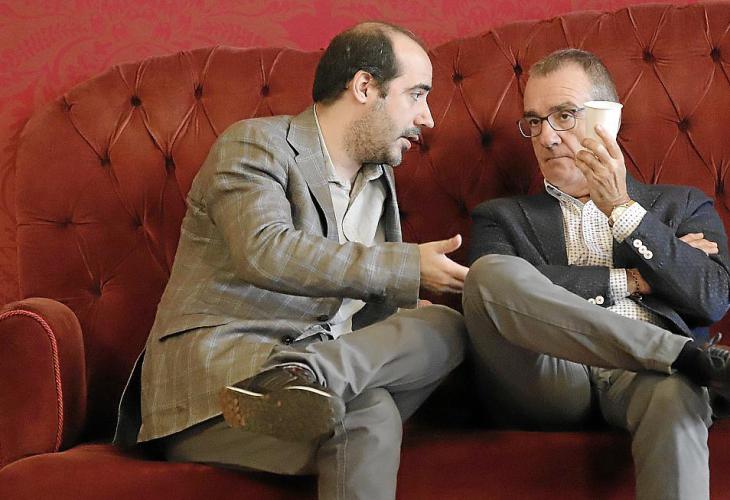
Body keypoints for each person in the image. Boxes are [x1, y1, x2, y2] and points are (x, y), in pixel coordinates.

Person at [113, 22, 468, 500]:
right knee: (370, 411)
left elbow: (352, 308)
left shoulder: (378, 179)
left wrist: (406, 318)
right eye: (417, 95)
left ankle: (309, 374)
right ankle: (292, 379)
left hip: (318, 381)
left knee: (446, 327)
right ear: (365, 87)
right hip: (221, 389)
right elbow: (265, 250)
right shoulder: (255, 145)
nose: (428, 118)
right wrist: (405, 267)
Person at [463, 48, 730, 500]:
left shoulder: (682, 205)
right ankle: (681, 356)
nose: (546, 138)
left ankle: (675, 363)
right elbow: (502, 298)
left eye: (564, 116)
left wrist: (623, 211)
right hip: (546, 376)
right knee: (488, 275)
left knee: (675, 393)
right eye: (534, 121)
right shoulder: (500, 217)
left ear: (610, 120)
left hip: (647, 378)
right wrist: (636, 280)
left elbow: (713, 296)